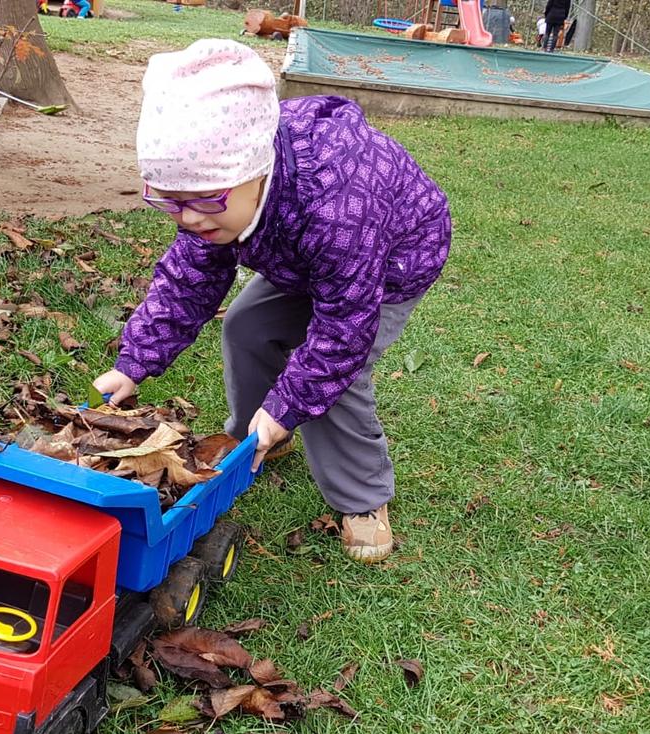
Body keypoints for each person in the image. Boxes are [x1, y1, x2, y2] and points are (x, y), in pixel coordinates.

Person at [92, 40, 452, 564]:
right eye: (169, 201)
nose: (188, 217)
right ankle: (259, 437)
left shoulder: (337, 203)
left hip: (391, 262)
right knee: (245, 326)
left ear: (258, 171)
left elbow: (341, 334)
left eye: (204, 200)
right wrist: (134, 363)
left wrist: (290, 403)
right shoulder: (214, 201)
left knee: (336, 380)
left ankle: (361, 498)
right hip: (301, 254)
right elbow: (188, 280)